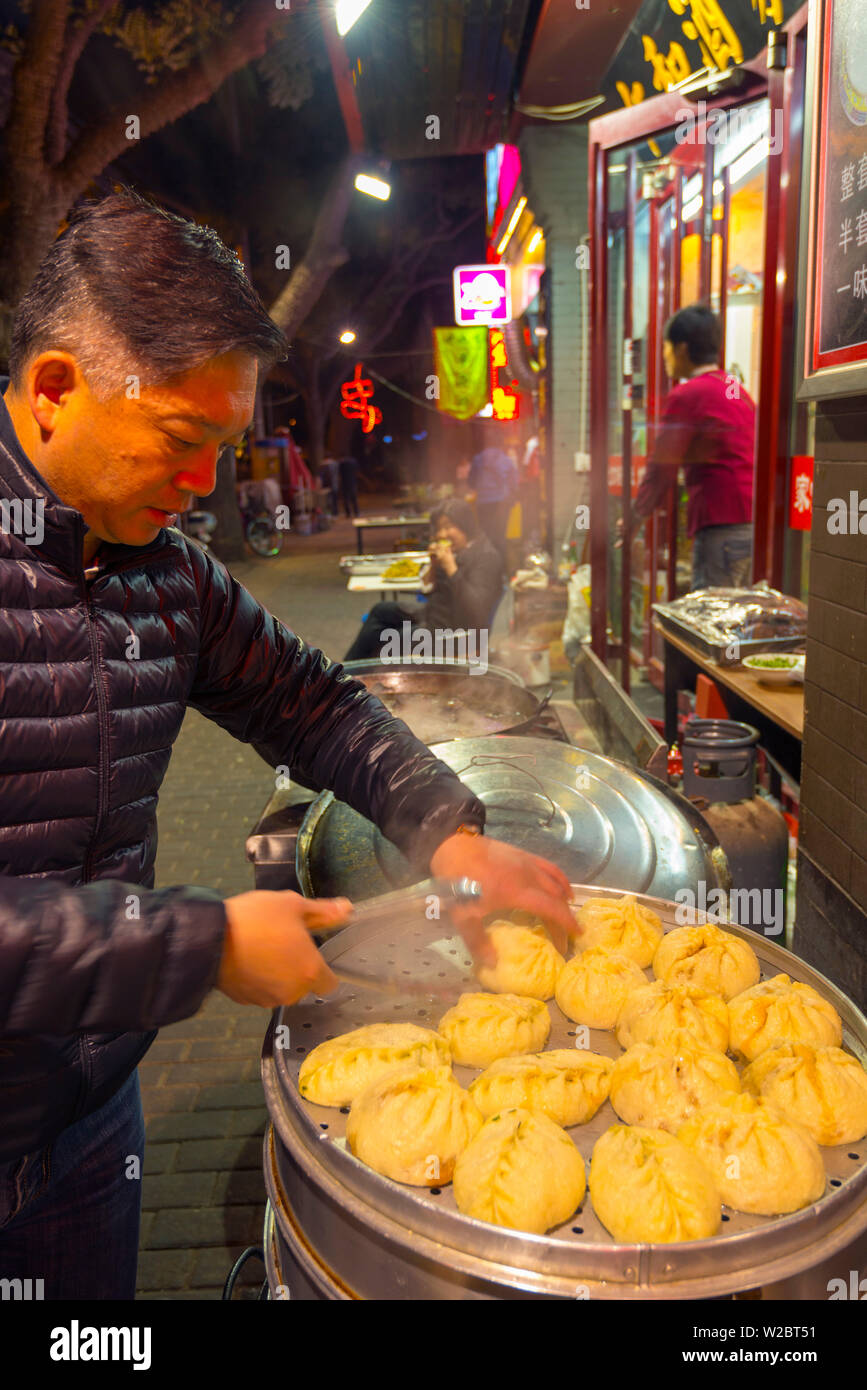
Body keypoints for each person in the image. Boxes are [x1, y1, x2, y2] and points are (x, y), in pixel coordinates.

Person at [0, 190, 574, 1300]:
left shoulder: (163, 570)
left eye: (225, 443)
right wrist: (199, 944)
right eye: (182, 439)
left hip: (86, 1126)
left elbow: (310, 703)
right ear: (58, 388)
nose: (206, 482)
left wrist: (448, 832)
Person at [621, 304, 755, 590]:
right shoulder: (735, 389)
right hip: (750, 524)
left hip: (719, 526)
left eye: (666, 347)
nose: (665, 356)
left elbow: (662, 468)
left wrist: (635, 516)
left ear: (681, 349)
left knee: (711, 621)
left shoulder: (688, 395)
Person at [344, 498, 503, 662]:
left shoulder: (486, 557)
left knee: (381, 637)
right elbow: (427, 590)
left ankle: (346, 677)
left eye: (448, 527)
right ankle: (345, 671)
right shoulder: (457, 549)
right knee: (380, 610)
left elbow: (476, 611)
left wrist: (451, 568)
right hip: (436, 617)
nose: (442, 534)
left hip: (458, 635)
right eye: (439, 529)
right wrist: (433, 565)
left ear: (466, 525)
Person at [468, 423, 518, 570]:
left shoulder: (478, 459)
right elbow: (514, 481)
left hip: (483, 503)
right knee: (501, 536)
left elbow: (471, 482)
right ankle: (502, 571)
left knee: (486, 536)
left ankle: (489, 570)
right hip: (502, 503)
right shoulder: (505, 459)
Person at [339, 453, 359, 517]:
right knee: (354, 498)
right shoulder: (353, 462)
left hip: (345, 483)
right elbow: (356, 471)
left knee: (346, 499)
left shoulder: (342, 463)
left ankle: (348, 513)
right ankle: (356, 512)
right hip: (352, 482)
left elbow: (340, 474)